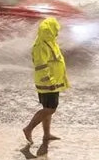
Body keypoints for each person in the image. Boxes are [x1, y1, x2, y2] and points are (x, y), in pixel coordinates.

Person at [23, 17, 70, 145]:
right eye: (55, 30)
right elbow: (41, 66)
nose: (57, 32)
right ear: (49, 30)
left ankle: (46, 134)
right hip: (48, 83)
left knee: (47, 108)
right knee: (50, 109)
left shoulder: (50, 41)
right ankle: (28, 128)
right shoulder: (40, 45)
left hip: (53, 81)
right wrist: (49, 81)